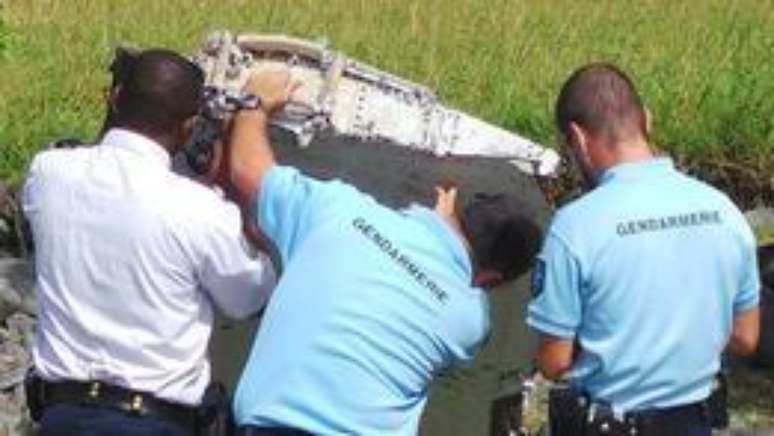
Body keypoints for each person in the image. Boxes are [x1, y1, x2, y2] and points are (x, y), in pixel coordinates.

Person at [219, 68, 542, 435]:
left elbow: (246, 169)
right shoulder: (468, 320)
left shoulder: (337, 211)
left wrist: (253, 106)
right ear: (491, 278)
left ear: (453, 206)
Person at [21, 49, 277, 436]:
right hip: (153, 423)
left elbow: (103, 184)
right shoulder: (201, 211)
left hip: (62, 417)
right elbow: (251, 298)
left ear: (115, 99)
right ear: (190, 127)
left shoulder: (48, 173)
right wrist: (241, 208)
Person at [527, 63, 760, 436]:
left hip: (612, 423)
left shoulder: (574, 226)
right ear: (647, 120)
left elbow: (554, 361)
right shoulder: (725, 211)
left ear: (578, 138)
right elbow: (746, 338)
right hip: (695, 422)